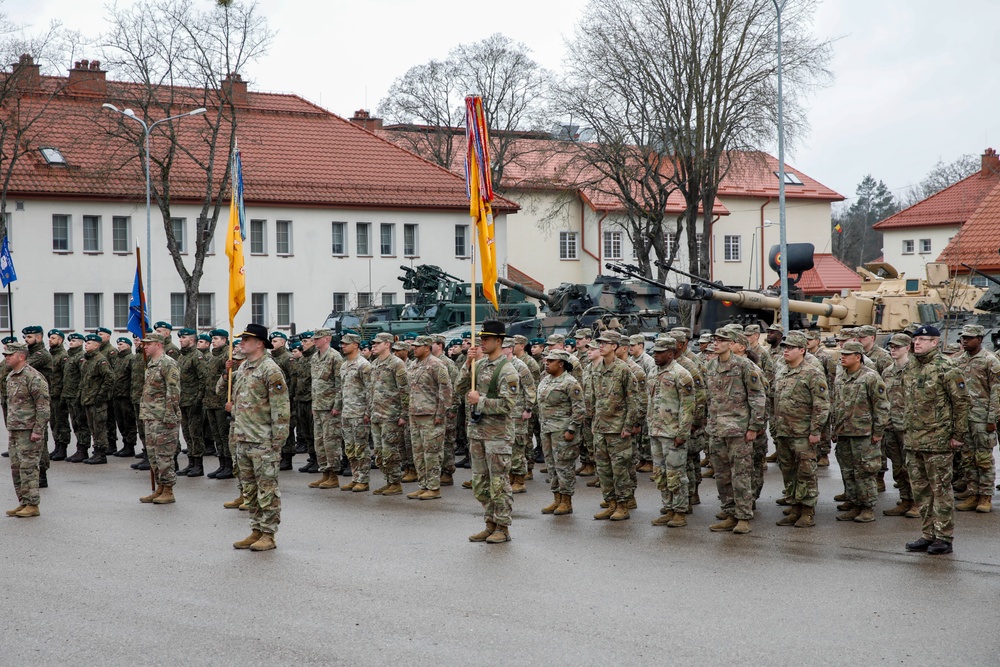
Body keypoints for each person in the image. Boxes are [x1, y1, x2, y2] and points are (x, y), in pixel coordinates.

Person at [904, 326, 970, 555]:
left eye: (923, 339)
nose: (917, 343)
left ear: (935, 343)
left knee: (940, 490)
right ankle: (928, 534)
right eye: (915, 339)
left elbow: (961, 403)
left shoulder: (947, 367)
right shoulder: (911, 366)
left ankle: (944, 537)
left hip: (938, 440)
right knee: (920, 490)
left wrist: (957, 435)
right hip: (914, 440)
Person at [227, 324, 290, 552]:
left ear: (260, 343)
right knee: (250, 490)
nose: (241, 342)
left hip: (263, 441)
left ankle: (269, 534)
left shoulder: (270, 370)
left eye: (246, 339)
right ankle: (256, 529)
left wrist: (277, 443)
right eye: (242, 338)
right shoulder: (244, 367)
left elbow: (281, 408)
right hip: (243, 438)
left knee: (267, 490)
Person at [456, 320, 520, 543]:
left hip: (497, 436)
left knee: (498, 483)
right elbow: (459, 388)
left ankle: (502, 526)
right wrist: (468, 363)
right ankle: (489, 522)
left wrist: (480, 401)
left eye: (486, 339)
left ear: (499, 341)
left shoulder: (508, 370)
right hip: (478, 433)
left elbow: (508, 405)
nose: (482, 342)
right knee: (481, 483)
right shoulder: (480, 365)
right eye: (481, 338)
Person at [704, 328, 766, 534]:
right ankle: (729, 513)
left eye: (722, 340)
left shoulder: (744, 366)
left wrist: (754, 427)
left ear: (732, 344)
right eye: (715, 339)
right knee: (722, 476)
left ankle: (743, 516)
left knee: (741, 475)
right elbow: (709, 398)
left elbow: (757, 398)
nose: (716, 343)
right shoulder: (711, 365)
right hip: (716, 430)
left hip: (739, 430)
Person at [771, 331, 830, 528]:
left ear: (802, 350)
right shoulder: (782, 371)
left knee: (806, 472)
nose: (785, 351)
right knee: (788, 472)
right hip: (784, 432)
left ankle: (807, 511)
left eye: (790, 348)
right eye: (784, 347)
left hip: (803, 433)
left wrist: (815, 431)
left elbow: (821, 404)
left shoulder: (812, 372)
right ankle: (794, 507)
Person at [832, 341, 890, 523]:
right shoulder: (841, 376)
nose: (843, 357)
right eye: (842, 354)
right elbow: (836, 404)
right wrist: (835, 429)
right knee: (848, 471)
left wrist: (878, 431)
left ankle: (867, 508)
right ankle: (854, 503)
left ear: (858, 357)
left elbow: (882, 406)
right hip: (844, 432)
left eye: (847, 354)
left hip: (864, 433)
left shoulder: (870, 377)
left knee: (865, 472)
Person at [586, 331, 638, 522]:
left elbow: (634, 400)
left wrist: (629, 425)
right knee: (603, 469)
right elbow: (593, 397)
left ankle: (623, 505)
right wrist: (593, 421)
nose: (600, 346)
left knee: (619, 469)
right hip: (600, 427)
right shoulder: (597, 369)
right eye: (599, 342)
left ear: (614, 346)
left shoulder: (623, 369)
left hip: (618, 429)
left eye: (605, 343)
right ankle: (611, 503)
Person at [647, 337, 695, 527]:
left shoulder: (681, 374)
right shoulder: (652, 372)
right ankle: (668, 508)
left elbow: (688, 406)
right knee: (660, 473)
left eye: (660, 352)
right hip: (656, 431)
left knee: (676, 474)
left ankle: (680, 512)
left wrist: (682, 433)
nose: (655, 356)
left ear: (670, 353)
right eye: (654, 352)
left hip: (673, 432)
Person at [954, 324, 999, 513]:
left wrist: (992, 419)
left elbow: (997, 392)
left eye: (969, 338)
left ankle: (985, 496)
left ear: (980, 339)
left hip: (982, 418)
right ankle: (973, 494)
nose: (965, 340)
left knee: (983, 459)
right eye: (963, 337)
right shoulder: (958, 361)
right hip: (964, 419)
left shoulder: (991, 361)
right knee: (967, 458)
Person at [536, 349, 585, 516]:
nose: (546, 363)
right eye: (546, 360)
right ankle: (556, 497)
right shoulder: (546, 380)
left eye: (551, 361)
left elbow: (579, 409)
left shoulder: (570, 383)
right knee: (551, 465)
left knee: (564, 466)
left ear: (561, 363)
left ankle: (566, 501)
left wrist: (572, 429)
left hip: (563, 431)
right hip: (547, 430)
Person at [3, 342, 50, 518]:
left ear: (21, 356)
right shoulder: (12, 376)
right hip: (15, 428)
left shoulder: (33, 377)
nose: (6, 357)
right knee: (16, 467)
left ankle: (33, 504)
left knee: (29, 467)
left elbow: (43, 406)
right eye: (6, 355)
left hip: (29, 430)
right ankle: (23, 501)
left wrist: (38, 429)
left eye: (10, 355)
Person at [406, 335, 452, 499]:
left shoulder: (436, 364)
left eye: (418, 346)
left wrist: (440, 413)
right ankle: (423, 484)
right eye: (414, 346)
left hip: (431, 415)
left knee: (432, 452)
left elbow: (446, 390)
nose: (414, 348)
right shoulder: (413, 364)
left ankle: (433, 487)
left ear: (427, 347)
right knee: (418, 453)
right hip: (415, 413)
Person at [138, 333, 182, 505]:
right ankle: (160, 488)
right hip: (150, 416)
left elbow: (174, 390)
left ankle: (169, 489)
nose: (145, 347)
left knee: (164, 455)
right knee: (153, 455)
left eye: (148, 344)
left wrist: (170, 415)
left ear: (158, 344)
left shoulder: (168, 363)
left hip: (163, 417)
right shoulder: (151, 364)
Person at [368, 332, 409, 496]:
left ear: (387, 344)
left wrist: (403, 414)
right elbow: (371, 390)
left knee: (390, 451)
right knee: (378, 452)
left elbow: (405, 391)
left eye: (377, 343)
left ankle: (395, 482)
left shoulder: (396, 364)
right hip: (377, 414)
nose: (374, 346)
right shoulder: (375, 363)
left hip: (391, 415)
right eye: (374, 343)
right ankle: (388, 480)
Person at [881, 333, 914, 517]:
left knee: (912, 466)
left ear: (907, 348)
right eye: (891, 347)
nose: (893, 350)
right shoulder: (887, 371)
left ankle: (917, 501)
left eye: (897, 347)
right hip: (891, 425)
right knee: (898, 466)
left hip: (908, 426)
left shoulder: (915, 370)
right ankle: (905, 499)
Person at [308, 328, 344, 490]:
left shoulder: (335, 357)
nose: (314, 341)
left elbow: (339, 383)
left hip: (330, 408)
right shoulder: (315, 357)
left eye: (318, 338)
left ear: (327, 339)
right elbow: (315, 383)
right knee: (319, 442)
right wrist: (314, 405)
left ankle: (334, 475)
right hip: (318, 406)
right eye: (314, 339)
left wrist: (337, 405)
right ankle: (324, 473)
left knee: (331, 442)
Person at [338, 333, 372, 492]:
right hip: (346, 412)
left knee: (361, 448)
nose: (343, 346)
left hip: (359, 413)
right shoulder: (344, 365)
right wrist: (337, 406)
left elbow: (370, 390)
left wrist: (367, 412)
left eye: (346, 344)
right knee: (350, 448)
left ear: (356, 345)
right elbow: (342, 388)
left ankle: (363, 480)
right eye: (342, 344)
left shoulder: (363, 365)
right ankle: (355, 476)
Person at [502, 337, 536, 494]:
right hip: (505, 413)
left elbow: (530, 388)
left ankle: (520, 480)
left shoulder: (520, 366)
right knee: (506, 446)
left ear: (509, 349)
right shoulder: (501, 365)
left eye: (502, 348)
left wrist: (528, 409)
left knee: (518, 446)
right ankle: (509, 477)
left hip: (518, 413)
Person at [204, 329, 233, 480]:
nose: (213, 341)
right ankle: (222, 463)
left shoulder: (227, 355)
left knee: (225, 435)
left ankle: (229, 465)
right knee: (217, 435)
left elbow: (230, 379)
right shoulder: (212, 356)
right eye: (213, 339)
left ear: (224, 340)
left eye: (216, 339)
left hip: (222, 402)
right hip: (210, 402)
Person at [79, 333, 113, 464]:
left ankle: (101, 453)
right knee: (92, 427)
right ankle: (96, 450)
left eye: (89, 343)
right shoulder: (87, 360)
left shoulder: (100, 360)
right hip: (88, 399)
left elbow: (109, 378)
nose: (86, 345)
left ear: (96, 345)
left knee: (99, 427)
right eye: (86, 343)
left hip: (97, 400)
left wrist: (101, 395)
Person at [176, 329, 205, 477]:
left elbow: (203, 380)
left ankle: (198, 465)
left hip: (194, 401)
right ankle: (191, 463)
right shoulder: (182, 357)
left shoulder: (197, 356)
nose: (181, 340)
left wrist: (198, 401)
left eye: (184, 337)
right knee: (187, 433)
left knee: (195, 434)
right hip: (183, 401)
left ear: (192, 340)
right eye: (180, 338)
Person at [111, 337, 138, 458]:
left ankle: (130, 445)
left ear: (128, 345)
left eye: (121, 344)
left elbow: (133, 378)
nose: (119, 346)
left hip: (126, 395)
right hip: (117, 395)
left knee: (129, 421)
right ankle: (125, 443)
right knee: (120, 422)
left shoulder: (131, 359)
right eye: (118, 344)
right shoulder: (118, 359)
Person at [47, 329, 71, 461]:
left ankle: (63, 448)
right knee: (53, 422)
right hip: (50, 394)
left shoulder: (63, 356)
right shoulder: (49, 355)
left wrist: (63, 395)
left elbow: (66, 377)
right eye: (50, 338)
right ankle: (57, 446)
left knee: (61, 422)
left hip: (59, 394)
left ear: (60, 340)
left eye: (54, 338)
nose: (50, 340)